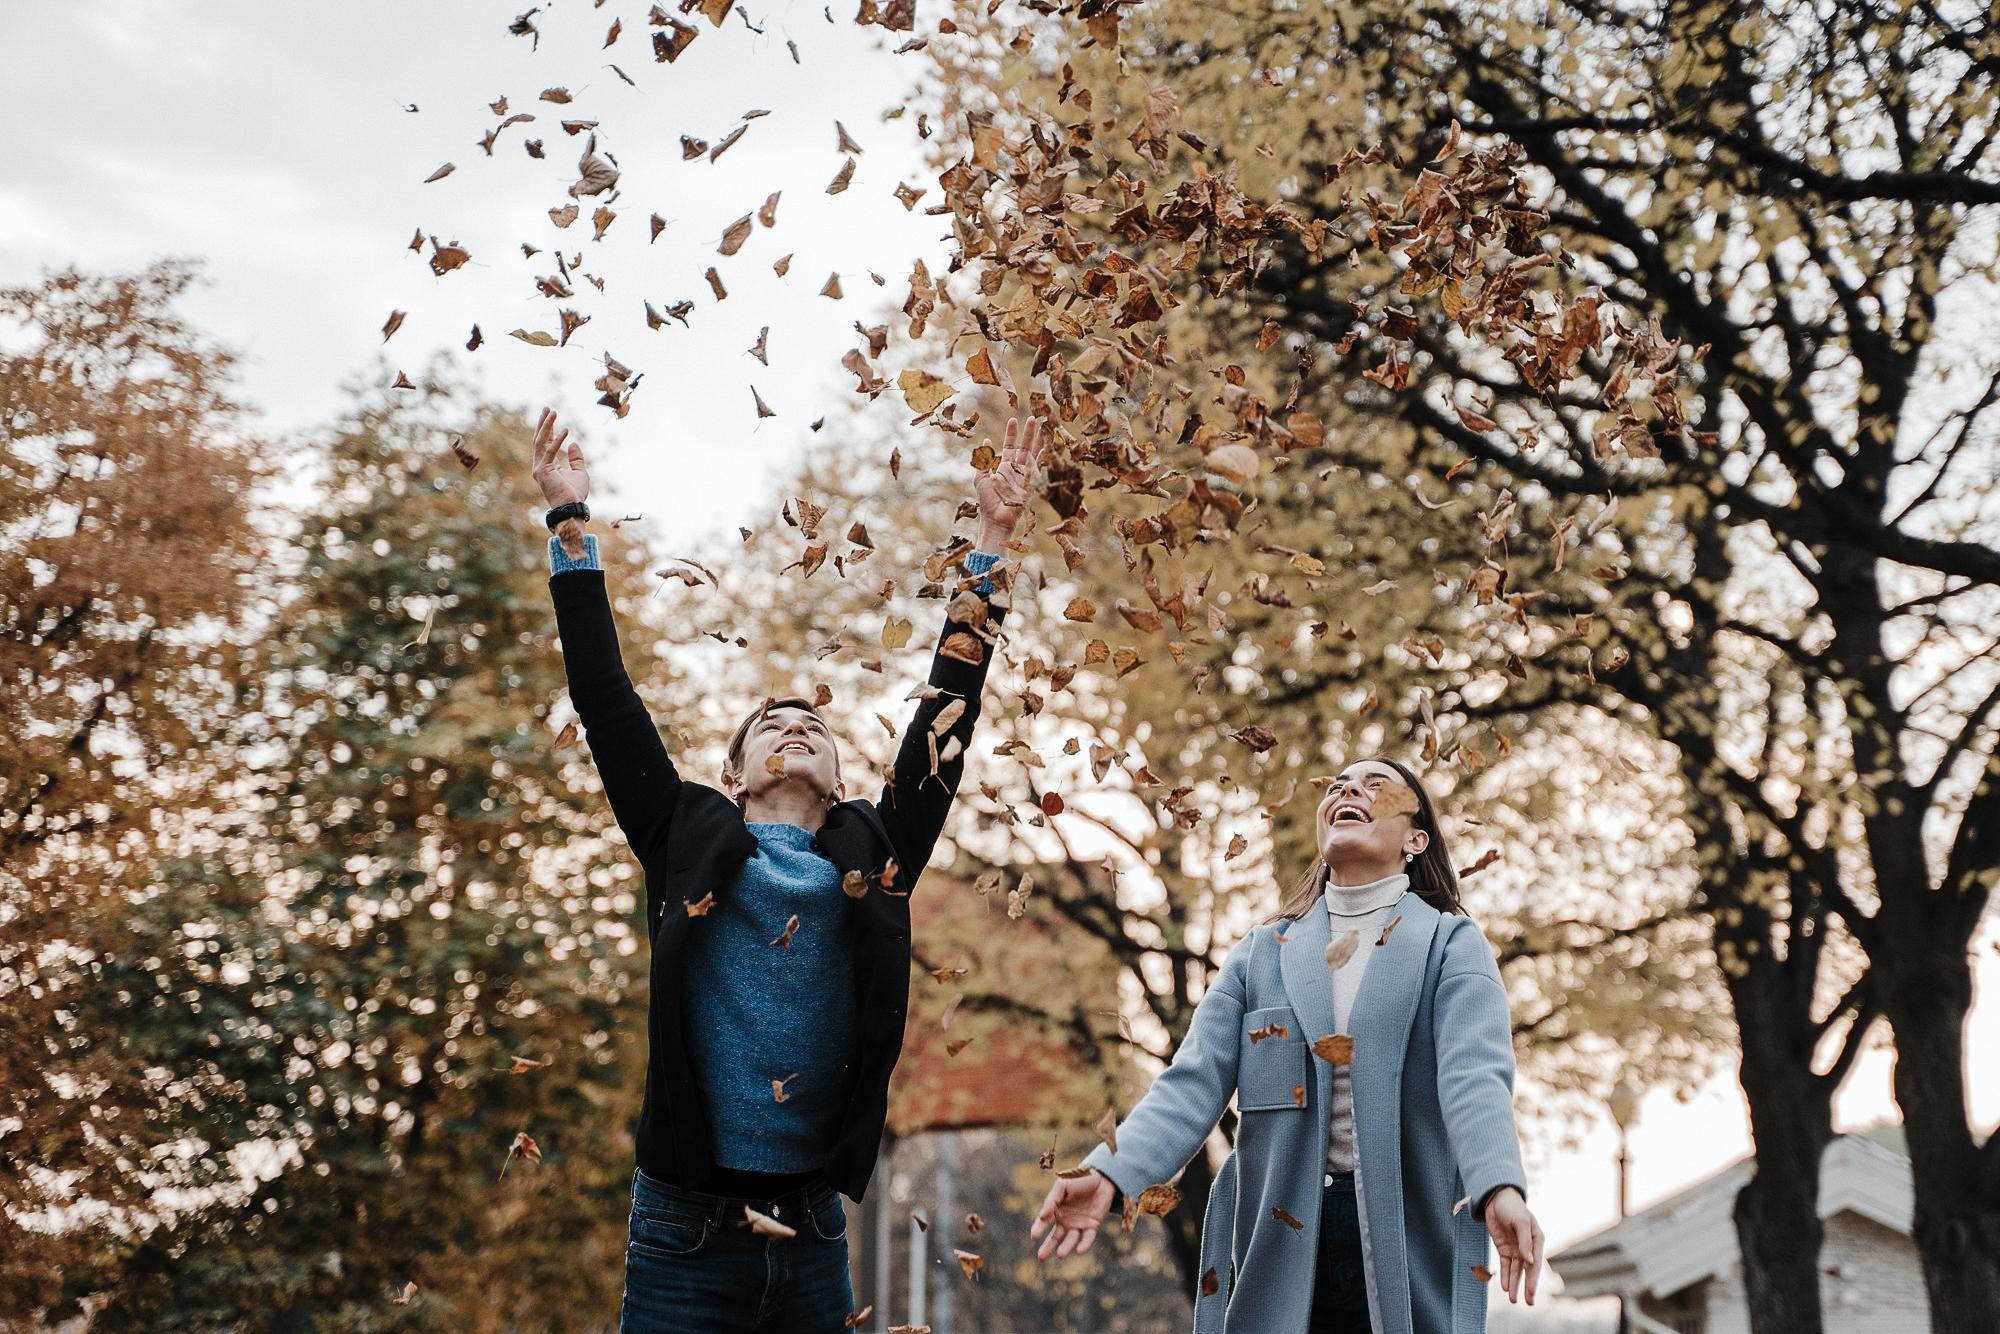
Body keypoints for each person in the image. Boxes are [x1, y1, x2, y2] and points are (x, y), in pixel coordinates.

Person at [530, 407, 1043, 1333]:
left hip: (810, 1231)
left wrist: (991, 544)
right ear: (733, 778)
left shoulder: (876, 855)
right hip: (684, 1229)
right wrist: (570, 525)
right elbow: (606, 701)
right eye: (770, 723)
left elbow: (947, 714)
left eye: (814, 724)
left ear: (845, 781)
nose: (795, 722)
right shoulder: (682, 833)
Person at [1031, 757, 1544, 1333]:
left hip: (1406, 1244)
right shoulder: (1261, 954)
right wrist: (1109, 1173)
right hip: (1278, 1246)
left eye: (1377, 785)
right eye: (1342, 784)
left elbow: (1474, 1077)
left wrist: (1499, 1185)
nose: (1350, 788)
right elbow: (1192, 1083)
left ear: (1415, 838)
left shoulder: (1452, 944)